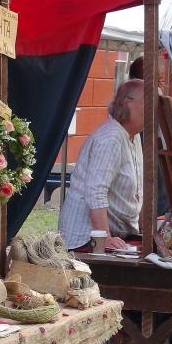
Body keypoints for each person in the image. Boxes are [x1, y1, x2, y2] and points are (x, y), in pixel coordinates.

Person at [58, 79, 144, 251]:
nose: (154, 110)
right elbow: (95, 191)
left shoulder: (133, 136)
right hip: (84, 239)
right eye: (149, 102)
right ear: (127, 102)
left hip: (116, 234)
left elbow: (136, 192)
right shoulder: (111, 138)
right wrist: (105, 238)